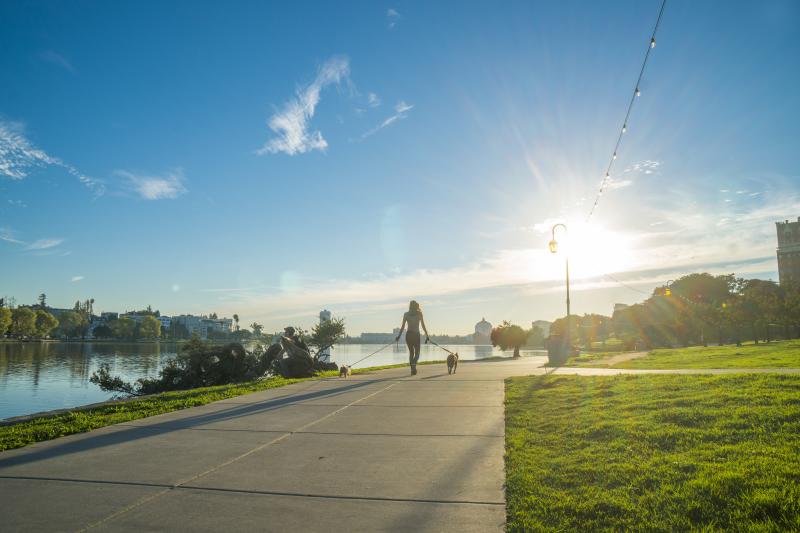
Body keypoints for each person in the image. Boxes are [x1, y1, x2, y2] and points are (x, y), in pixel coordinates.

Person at [395, 300, 429, 375]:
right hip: (416, 335)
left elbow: (403, 326)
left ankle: (412, 369)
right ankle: (413, 365)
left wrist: (399, 336)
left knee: (411, 353)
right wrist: (427, 335)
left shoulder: (406, 314)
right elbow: (423, 325)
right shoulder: (419, 314)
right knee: (417, 353)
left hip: (409, 335)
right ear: (416, 306)